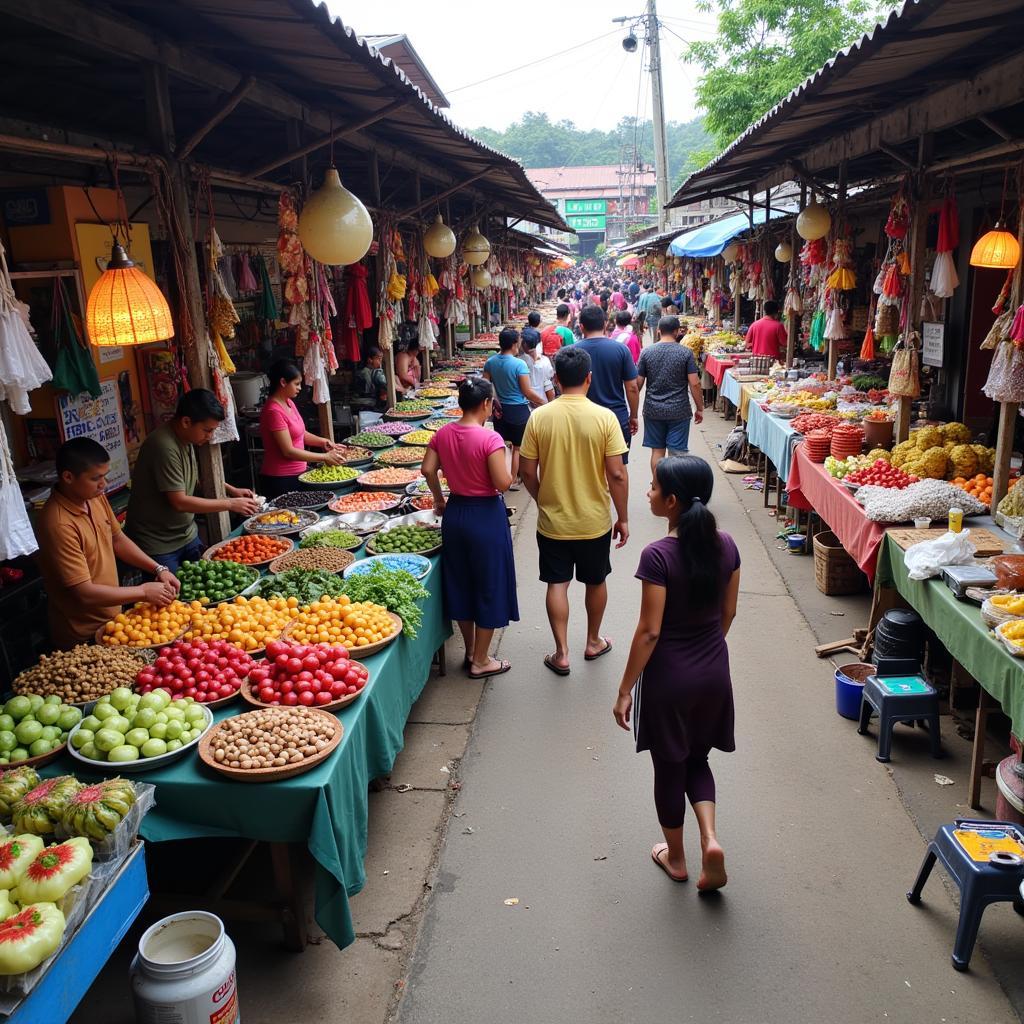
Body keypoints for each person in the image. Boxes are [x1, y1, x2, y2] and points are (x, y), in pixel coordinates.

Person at [613, 456, 739, 891]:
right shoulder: (727, 546)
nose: (646, 492)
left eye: (652, 487)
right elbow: (728, 613)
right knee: (698, 758)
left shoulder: (659, 555)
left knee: (669, 768)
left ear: (671, 502)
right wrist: (705, 648)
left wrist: (625, 688)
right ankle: (710, 838)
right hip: (713, 673)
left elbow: (649, 632)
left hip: (670, 679)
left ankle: (679, 859)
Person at [520, 346, 629, 676]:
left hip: (553, 522)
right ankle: (593, 641)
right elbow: (618, 474)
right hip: (593, 521)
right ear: (589, 379)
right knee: (596, 580)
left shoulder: (539, 417)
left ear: (555, 378)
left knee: (557, 583)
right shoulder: (604, 418)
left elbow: (526, 471)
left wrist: (543, 500)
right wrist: (622, 517)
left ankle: (562, 653)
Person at [36, 438, 182, 650]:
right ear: (68, 477)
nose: (103, 484)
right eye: (96, 478)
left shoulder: (93, 497)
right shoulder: (57, 524)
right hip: (83, 634)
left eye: (104, 476)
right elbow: (84, 592)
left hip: (115, 622)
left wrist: (158, 568)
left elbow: (117, 539)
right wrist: (143, 592)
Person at [423, 379, 516, 680]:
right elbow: (503, 483)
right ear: (487, 404)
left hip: (456, 513)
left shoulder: (443, 433)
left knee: (461, 583)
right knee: (489, 585)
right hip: (485, 516)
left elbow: (427, 469)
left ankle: (470, 650)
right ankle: (481, 660)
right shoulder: (490, 439)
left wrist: (439, 499)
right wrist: (513, 457)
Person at [125, 390, 260, 571]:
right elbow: (179, 502)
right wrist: (230, 503)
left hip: (186, 534)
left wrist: (230, 490)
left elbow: (192, 480)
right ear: (186, 422)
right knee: (175, 595)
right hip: (159, 543)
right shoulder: (163, 446)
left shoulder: (186, 439)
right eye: (207, 430)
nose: (210, 436)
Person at [259, 359, 344, 499]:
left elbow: (300, 434)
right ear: (283, 382)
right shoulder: (273, 411)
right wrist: (324, 457)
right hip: (281, 480)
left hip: (298, 475)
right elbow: (288, 451)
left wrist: (323, 442)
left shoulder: (289, 403)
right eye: (296, 384)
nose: (300, 388)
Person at [636, 316, 704, 475]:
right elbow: (694, 383)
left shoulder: (647, 352)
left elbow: (638, 383)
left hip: (653, 410)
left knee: (657, 452)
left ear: (659, 331)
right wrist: (699, 408)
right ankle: (675, 489)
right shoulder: (685, 353)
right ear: (677, 331)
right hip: (679, 410)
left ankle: (657, 485)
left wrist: (633, 409)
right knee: (677, 453)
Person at [576, 305, 640, 462]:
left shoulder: (572, 351)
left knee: (587, 466)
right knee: (616, 470)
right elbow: (632, 388)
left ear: (581, 326)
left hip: (582, 420)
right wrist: (633, 415)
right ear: (605, 324)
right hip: (616, 417)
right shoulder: (621, 350)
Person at [483, 328, 545, 489]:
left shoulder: (491, 362)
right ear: (513, 344)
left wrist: (494, 401)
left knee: (502, 445)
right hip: (518, 410)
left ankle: (500, 475)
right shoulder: (519, 364)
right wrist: (544, 402)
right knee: (517, 447)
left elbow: (485, 386)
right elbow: (527, 392)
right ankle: (512, 479)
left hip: (500, 411)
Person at [520, 331, 556, 406]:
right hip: (543, 402)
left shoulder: (519, 362)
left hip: (525, 403)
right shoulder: (545, 361)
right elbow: (549, 387)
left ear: (524, 344)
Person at [355, 346, 388, 412]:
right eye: (378, 359)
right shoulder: (365, 372)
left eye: (381, 359)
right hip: (366, 403)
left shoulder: (372, 371)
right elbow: (369, 390)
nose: (380, 362)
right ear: (370, 360)